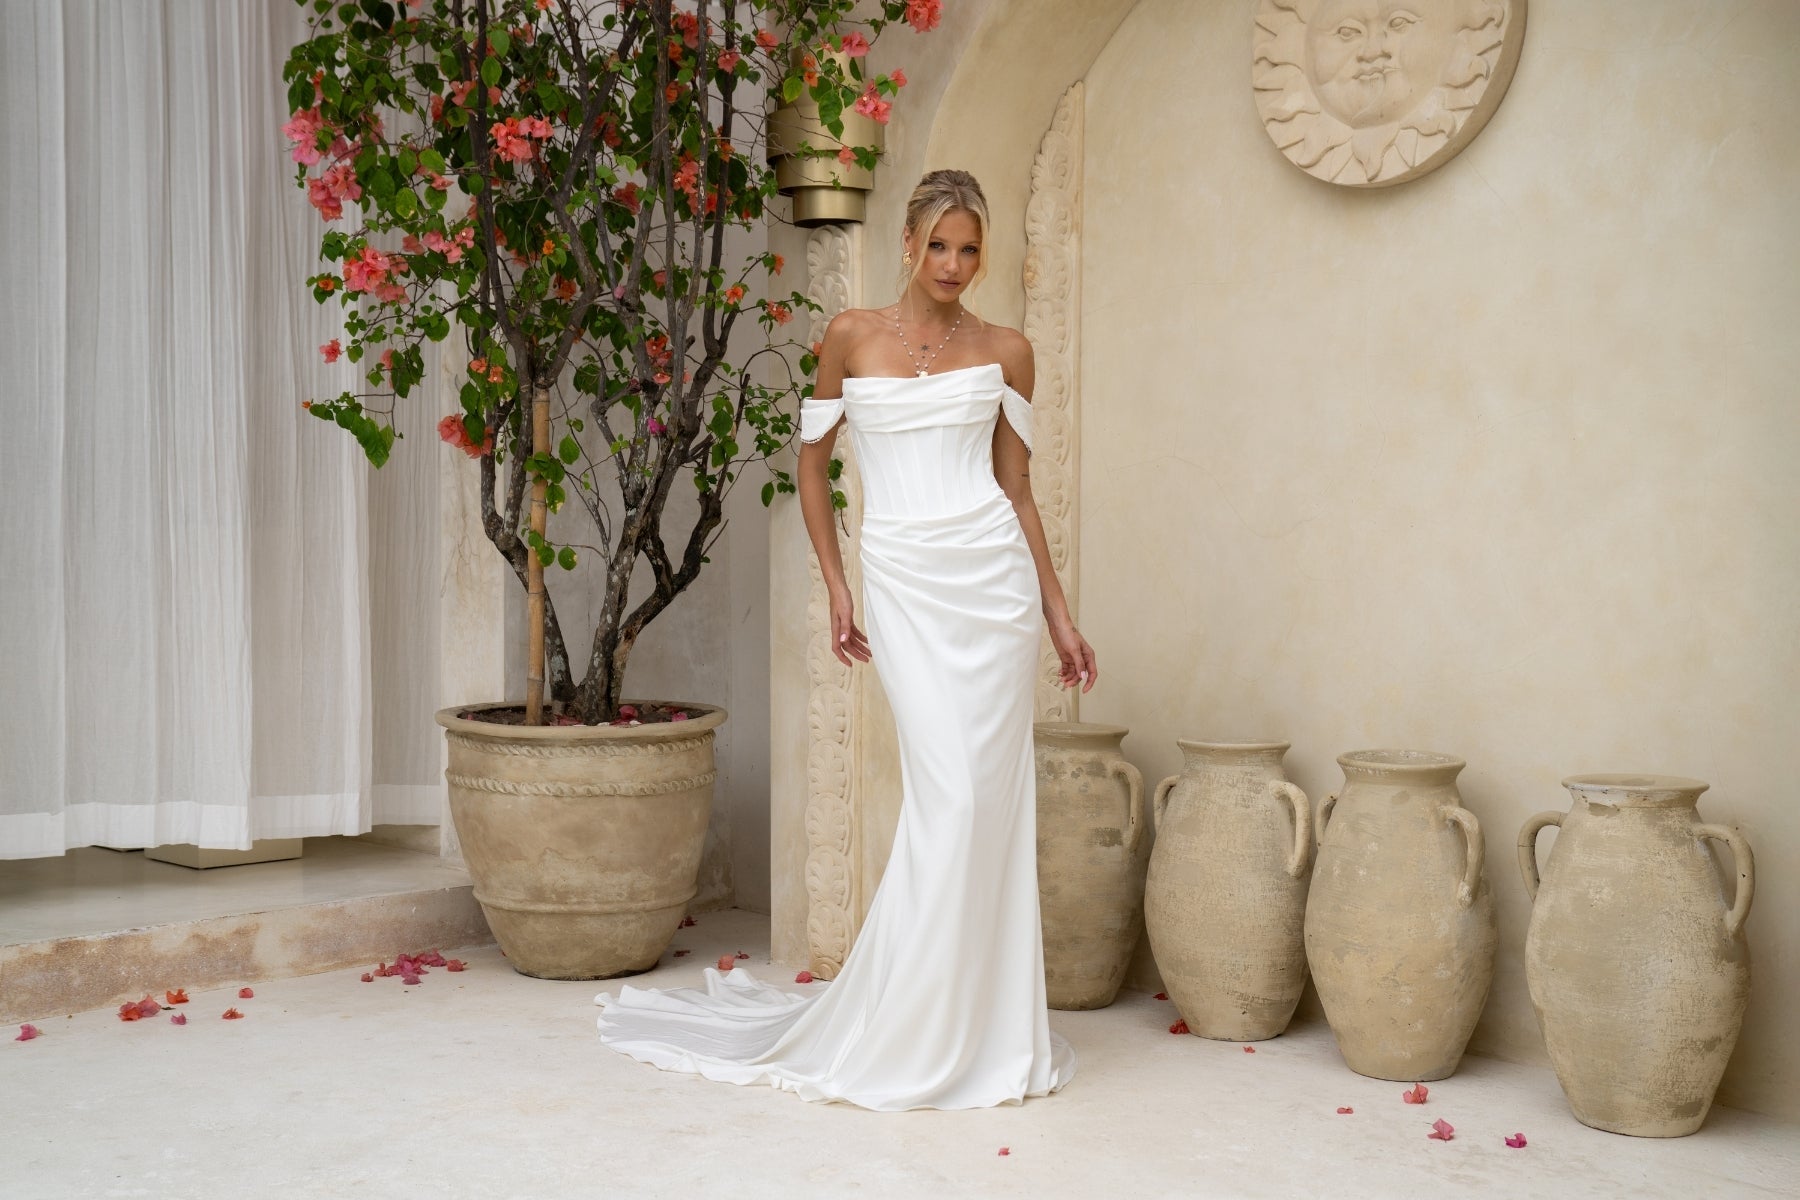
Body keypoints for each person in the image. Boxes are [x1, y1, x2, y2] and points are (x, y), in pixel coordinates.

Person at [594, 169, 1097, 1111]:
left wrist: (1057, 614)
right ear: (907, 243)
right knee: (949, 797)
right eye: (938, 244)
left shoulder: (1008, 351)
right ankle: (913, 1022)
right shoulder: (850, 336)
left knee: (984, 806)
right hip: (903, 578)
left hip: (990, 587)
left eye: (969, 249)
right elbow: (812, 465)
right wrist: (837, 583)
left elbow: (1018, 490)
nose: (953, 263)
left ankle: (973, 1027)